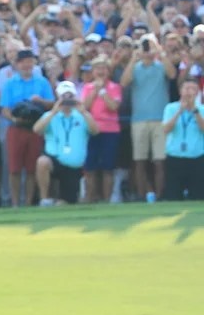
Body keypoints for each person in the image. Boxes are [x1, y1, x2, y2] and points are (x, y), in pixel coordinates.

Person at [120, 34, 176, 202]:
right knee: (140, 160)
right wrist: (134, 58)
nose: (147, 50)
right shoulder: (135, 68)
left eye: (149, 46)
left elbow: (172, 74)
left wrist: (160, 52)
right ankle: (142, 195)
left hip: (160, 119)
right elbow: (124, 81)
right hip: (139, 119)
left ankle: (159, 195)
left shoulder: (160, 66)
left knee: (159, 161)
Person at [0, 48, 55, 207]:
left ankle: (29, 202)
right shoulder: (10, 83)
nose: (27, 65)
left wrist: (40, 101)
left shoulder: (42, 82)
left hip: (35, 127)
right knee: (14, 168)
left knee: (32, 168)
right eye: (23, 62)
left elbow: (51, 103)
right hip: (16, 128)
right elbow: (4, 108)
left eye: (30, 62)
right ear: (17, 64)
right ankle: (16, 203)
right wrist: (14, 119)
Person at [33, 81, 99, 206]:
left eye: (70, 96)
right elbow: (37, 129)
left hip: (74, 166)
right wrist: (54, 112)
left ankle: (61, 200)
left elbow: (95, 130)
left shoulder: (81, 116)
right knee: (42, 162)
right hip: (55, 160)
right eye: (63, 97)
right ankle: (44, 199)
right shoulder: (50, 115)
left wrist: (84, 111)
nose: (67, 100)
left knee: (65, 203)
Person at [82, 55, 122, 202]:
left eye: (103, 68)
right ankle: (89, 198)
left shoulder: (115, 87)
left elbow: (113, 106)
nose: (100, 71)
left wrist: (103, 92)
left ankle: (107, 200)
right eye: (97, 68)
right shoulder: (88, 87)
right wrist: (95, 91)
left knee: (108, 167)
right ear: (93, 72)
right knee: (90, 168)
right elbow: (85, 107)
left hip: (110, 130)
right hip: (91, 130)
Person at [161, 77, 204, 200]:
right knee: (173, 195)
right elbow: (166, 129)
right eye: (186, 88)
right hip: (175, 157)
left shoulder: (201, 109)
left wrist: (195, 111)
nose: (189, 92)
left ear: (197, 92)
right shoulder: (170, 108)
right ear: (180, 91)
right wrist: (180, 111)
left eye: (193, 89)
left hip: (197, 157)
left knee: (198, 196)